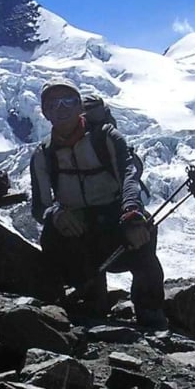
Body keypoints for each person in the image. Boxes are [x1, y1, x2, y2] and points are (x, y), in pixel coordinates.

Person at [29, 79, 166, 327]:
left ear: (79, 106)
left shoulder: (105, 138)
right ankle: (90, 300)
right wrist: (55, 214)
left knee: (143, 232)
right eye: (53, 103)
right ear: (45, 112)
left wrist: (132, 213)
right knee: (51, 233)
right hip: (78, 229)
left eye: (68, 101)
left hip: (116, 220)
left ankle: (150, 311)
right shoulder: (43, 154)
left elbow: (129, 175)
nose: (61, 108)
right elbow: (40, 207)